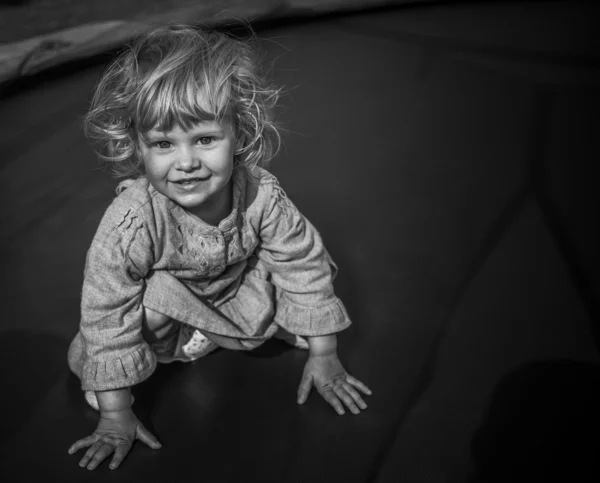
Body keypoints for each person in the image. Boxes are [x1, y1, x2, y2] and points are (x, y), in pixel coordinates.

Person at [67, 24, 371, 471]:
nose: (187, 162)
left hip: (236, 289)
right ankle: (185, 340)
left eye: (205, 139)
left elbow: (302, 262)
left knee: (284, 264)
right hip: (172, 308)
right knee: (142, 310)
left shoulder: (261, 195)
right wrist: (115, 414)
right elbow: (106, 312)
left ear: (238, 133)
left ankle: (234, 330)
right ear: (138, 146)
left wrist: (326, 355)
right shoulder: (132, 222)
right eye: (164, 144)